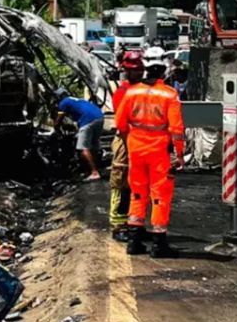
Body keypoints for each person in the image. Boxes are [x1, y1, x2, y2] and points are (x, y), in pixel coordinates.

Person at [115, 46, 185, 258]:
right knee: (160, 195)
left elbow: (120, 123)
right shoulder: (169, 95)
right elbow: (176, 129)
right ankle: (159, 244)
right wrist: (179, 155)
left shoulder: (131, 92)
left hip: (135, 149)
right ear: (164, 70)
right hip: (159, 152)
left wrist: (132, 139)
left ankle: (134, 242)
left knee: (137, 193)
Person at [109, 50, 144, 242]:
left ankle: (134, 223)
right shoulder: (122, 93)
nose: (138, 74)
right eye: (135, 70)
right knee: (121, 181)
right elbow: (123, 124)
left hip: (140, 142)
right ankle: (118, 225)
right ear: (126, 71)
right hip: (126, 140)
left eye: (140, 70)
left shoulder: (142, 91)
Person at [55, 88, 105, 181]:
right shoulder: (77, 100)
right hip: (99, 117)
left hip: (88, 121)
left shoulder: (63, 102)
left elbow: (58, 120)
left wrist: (56, 130)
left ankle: (94, 172)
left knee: (83, 148)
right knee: (93, 146)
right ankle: (97, 168)